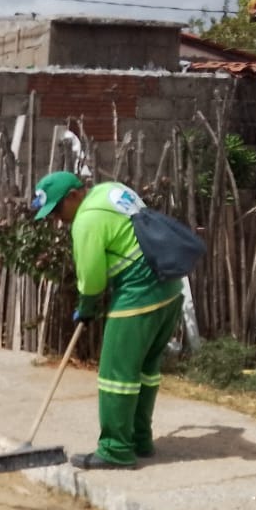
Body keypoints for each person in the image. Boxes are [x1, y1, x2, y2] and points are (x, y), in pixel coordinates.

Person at [33, 170, 184, 470]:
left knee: (116, 375)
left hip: (138, 296)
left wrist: (87, 307)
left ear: (73, 196)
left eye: (57, 210)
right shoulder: (112, 190)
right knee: (145, 370)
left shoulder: (86, 219)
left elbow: (92, 278)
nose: (57, 219)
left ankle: (116, 450)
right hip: (170, 290)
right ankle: (139, 439)